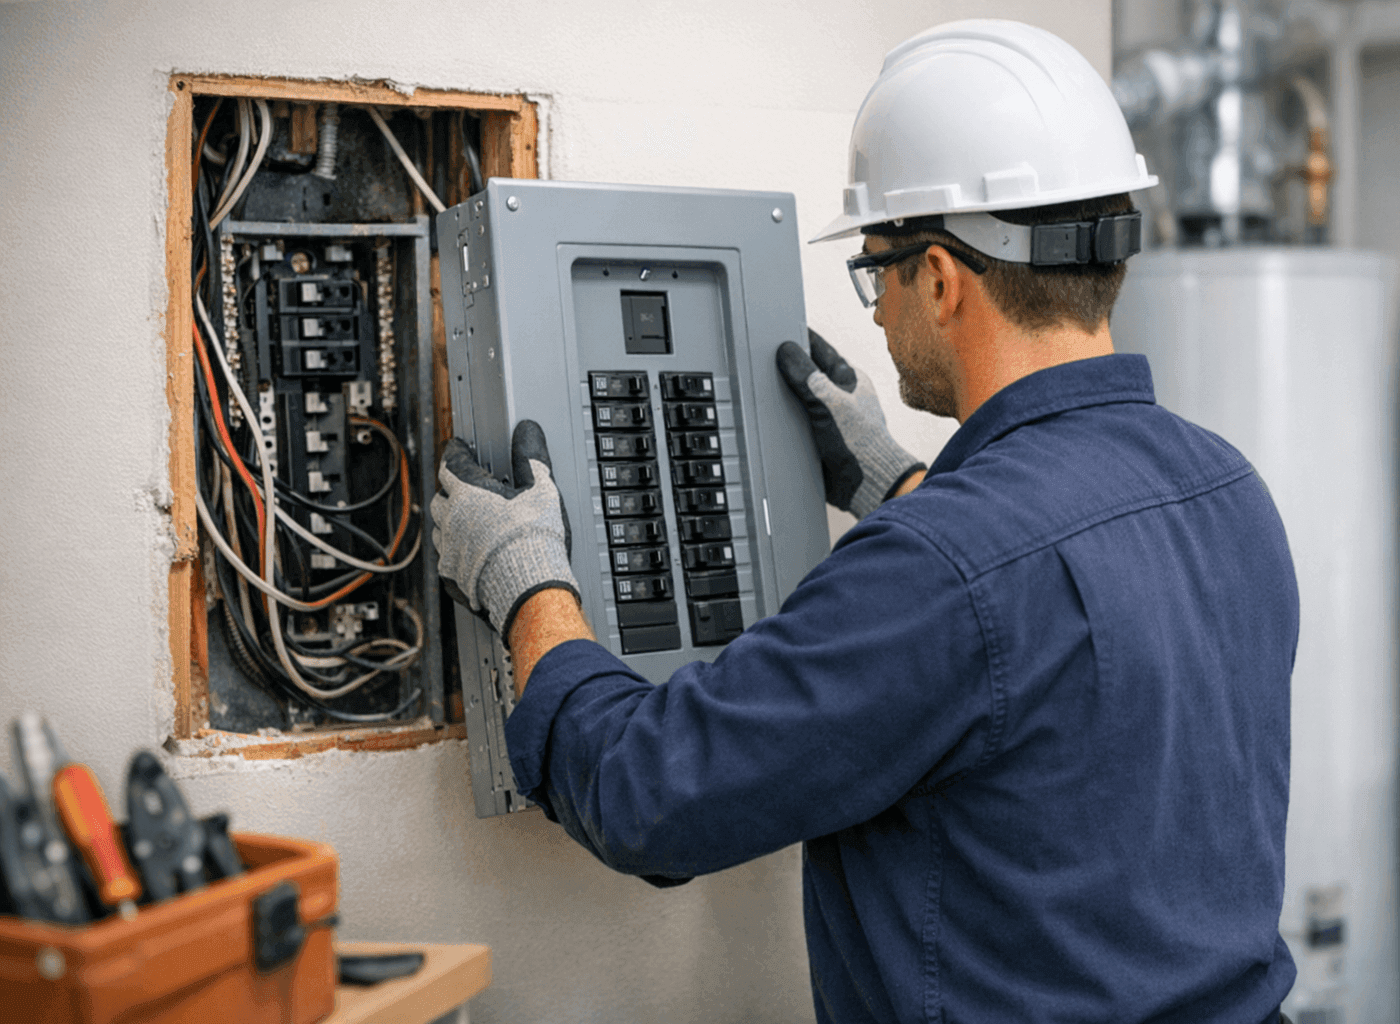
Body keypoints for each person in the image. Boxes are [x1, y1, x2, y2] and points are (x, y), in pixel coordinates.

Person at [430, 19, 1299, 1024]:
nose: (878, 315)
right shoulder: (1227, 489)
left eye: (875, 271)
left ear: (938, 277)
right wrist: (905, 483)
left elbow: (647, 793)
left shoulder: (938, 572)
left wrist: (527, 578)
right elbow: (1060, 669)